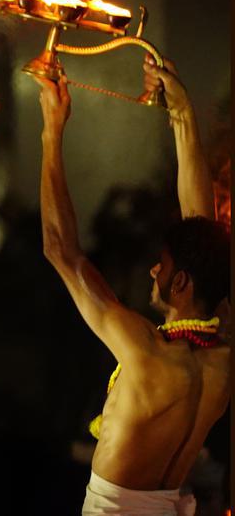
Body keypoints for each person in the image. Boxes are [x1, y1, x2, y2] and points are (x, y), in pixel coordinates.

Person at [35, 54, 230, 515]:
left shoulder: (144, 351)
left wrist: (52, 130)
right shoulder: (223, 356)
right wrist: (181, 114)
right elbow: (201, 229)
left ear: (181, 282)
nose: (151, 272)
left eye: (161, 266)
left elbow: (61, 249)